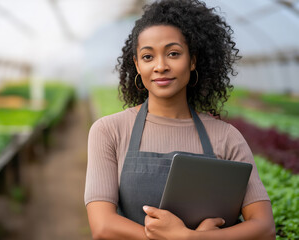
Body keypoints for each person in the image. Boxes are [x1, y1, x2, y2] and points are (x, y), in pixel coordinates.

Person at [84, 0, 276, 239]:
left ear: (193, 60)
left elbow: (264, 228)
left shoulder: (226, 137)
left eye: (173, 54)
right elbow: (103, 227)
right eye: (147, 57)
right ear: (136, 65)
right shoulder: (109, 131)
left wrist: (190, 238)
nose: (161, 66)